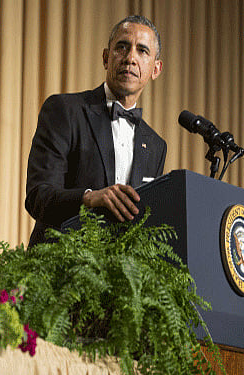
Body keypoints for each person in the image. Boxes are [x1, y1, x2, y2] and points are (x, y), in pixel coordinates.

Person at [25, 15, 166, 247]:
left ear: (156, 69)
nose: (130, 58)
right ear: (105, 58)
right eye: (122, 47)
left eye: (142, 51)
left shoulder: (155, 145)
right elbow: (38, 196)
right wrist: (89, 198)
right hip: (55, 270)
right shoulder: (65, 111)